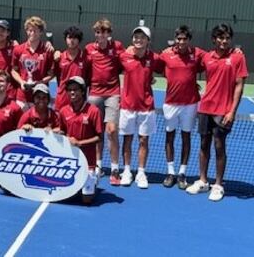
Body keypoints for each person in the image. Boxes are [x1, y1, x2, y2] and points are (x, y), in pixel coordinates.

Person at [186, 24, 248, 202]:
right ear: (214, 39)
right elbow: (186, 67)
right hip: (205, 107)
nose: (224, 41)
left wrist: (232, 111)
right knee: (203, 145)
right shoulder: (206, 57)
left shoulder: (237, 58)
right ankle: (203, 180)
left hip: (224, 110)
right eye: (220, 37)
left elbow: (239, 86)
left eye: (227, 38)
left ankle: (219, 184)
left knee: (219, 146)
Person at [158, 26, 206, 189]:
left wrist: (236, 52)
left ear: (189, 40)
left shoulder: (197, 53)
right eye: (179, 38)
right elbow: (152, 63)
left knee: (186, 137)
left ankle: (182, 173)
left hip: (190, 104)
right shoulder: (165, 54)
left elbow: (215, 59)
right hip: (170, 103)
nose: (181, 42)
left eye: (185, 39)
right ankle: (170, 172)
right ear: (175, 39)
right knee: (169, 137)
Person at [118, 25, 164, 188]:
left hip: (146, 106)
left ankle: (141, 172)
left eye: (142, 37)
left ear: (148, 41)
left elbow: (171, 69)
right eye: (136, 37)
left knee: (144, 140)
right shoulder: (124, 56)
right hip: (127, 106)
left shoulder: (154, 58)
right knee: (127, 139)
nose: (138, 40)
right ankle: (127, 171)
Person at [85, 18, 124, 184]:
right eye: (98, 32)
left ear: (109, 34)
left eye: (104, 32)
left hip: (113, 94)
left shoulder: (117, 47)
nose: (100, 35)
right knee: (96, 132)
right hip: (94, 94)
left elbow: (130, 59)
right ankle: (98, 165)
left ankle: (115, 169)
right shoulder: (88, 49)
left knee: (112, 130)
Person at [57, 76, 103, 204]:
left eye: (76, 90)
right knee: (64, 197)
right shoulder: (63, 111)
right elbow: (62, 131)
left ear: (82, 91)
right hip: (69, 160)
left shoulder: (93, 111)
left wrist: (79, 143)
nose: (72, 92)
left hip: (88, 162)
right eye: (70, 90)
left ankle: (94, 177)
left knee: (86, 200)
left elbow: (99, 137)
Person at [11, 16, 55, 110]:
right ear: (26, 31)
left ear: (41, 32)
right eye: (30, 30)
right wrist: (21, 82)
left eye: (36, 30)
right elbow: (14, 71)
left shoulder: (47, 50)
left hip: (40, 97)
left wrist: (40, 83)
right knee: (21, 123)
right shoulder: (18, 49)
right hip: (22, 96)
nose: (32, 33)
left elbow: (51, 74)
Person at [54, 26, 90, 111]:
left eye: (75, 38)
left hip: (79, 101)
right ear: (66, 39)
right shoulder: (59, 58)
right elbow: (57, 78)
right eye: (69, 37)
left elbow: (88, 80)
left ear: (79, 40)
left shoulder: (86, 59)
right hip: (62, 99)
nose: (72, 40)